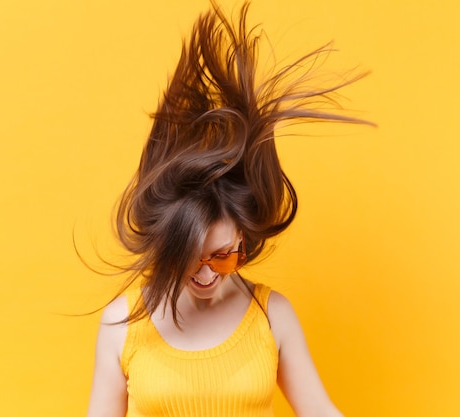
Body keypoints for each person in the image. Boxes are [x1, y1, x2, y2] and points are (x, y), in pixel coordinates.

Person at [85, 2, 368, 416]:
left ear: (243, 239)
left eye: (222, 257)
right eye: (189, 259)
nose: (204, 274)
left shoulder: (271, 315)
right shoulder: (121, 323)